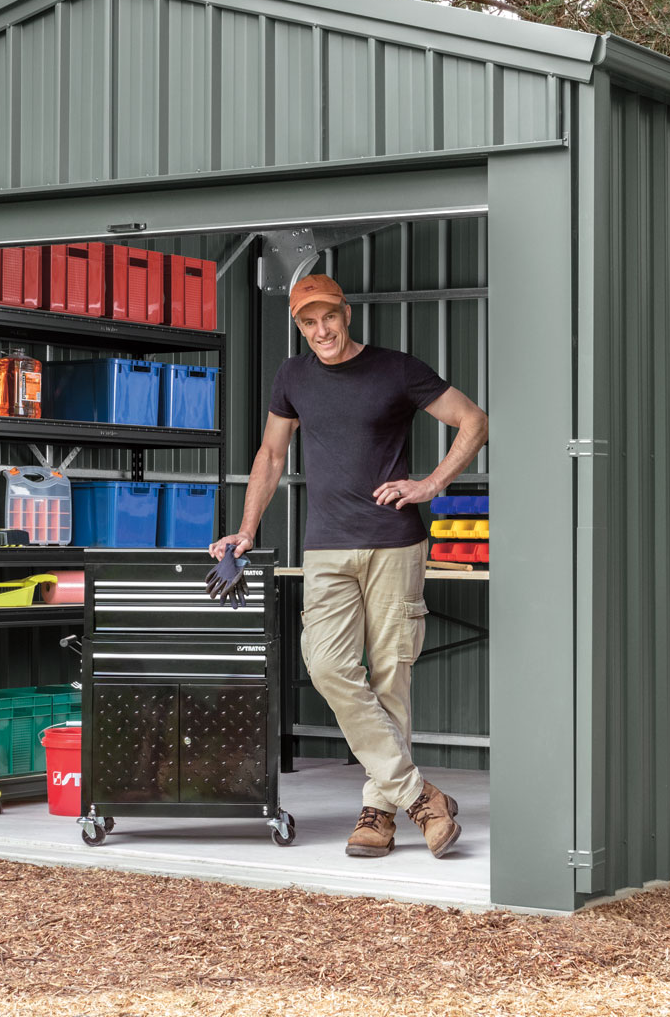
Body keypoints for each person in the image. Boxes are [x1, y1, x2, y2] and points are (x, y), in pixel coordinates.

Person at [209, 273, 489, 859]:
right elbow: (271, 453)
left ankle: (378, 813)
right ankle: (420, 795)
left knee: (390, 674)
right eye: (308, 323)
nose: (320, 331)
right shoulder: (293, 377)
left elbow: (473, 420)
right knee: (327, 665)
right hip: (327, 545)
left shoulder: (397, 369)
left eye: (328, 318)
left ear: (346, 314)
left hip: (394, 542)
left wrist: (431, 484)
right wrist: (246, 530)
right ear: (298, 325)